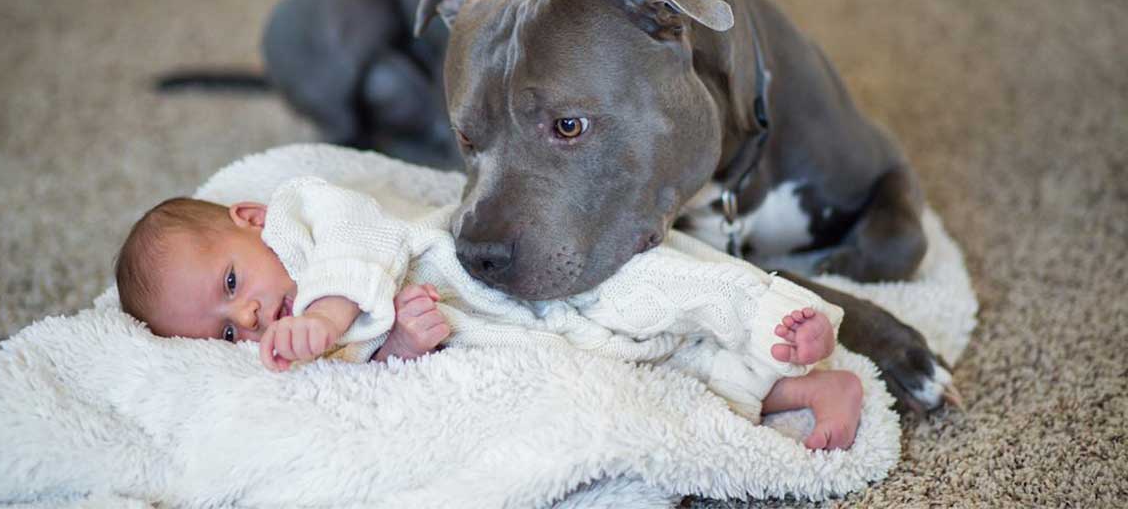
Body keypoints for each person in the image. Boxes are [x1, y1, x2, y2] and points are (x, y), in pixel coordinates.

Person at [115, 176, 863, 449]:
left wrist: (332, 313)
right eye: (222, 330)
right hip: (510, 334)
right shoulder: (294, 341)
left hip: (525, 274)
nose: (246, 315)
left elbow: (363, 236)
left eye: (231, 282)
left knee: (651, 290)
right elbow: (377, 377)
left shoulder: (302, 215)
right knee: (651, 362)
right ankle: (800, 387)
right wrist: (403, 342)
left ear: (250, 218)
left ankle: (774, 316)